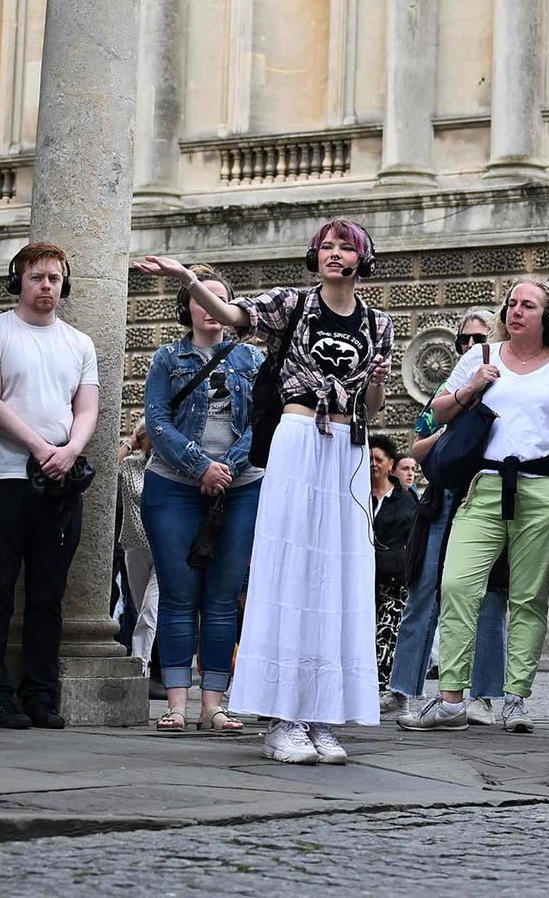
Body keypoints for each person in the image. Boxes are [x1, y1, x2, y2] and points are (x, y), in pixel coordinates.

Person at [135, 219, 392, 766]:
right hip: (299, 438)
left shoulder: (378, 322)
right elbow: (234, 317)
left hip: (346, 445)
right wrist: (187, 277)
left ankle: (321, 714)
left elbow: (371, 411)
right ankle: (282, 718)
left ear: (361, 259)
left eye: (346, 247)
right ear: (314, 254)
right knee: (290, 573)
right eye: (326, 245)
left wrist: (375, 384)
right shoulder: (291, 303)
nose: (334, 254)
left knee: (336, 579)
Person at [399, 279, 549, 735]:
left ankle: (515, 700)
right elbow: (436, 413)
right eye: (512, 304)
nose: (516, 311)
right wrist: (471, 388)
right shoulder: (480, 357)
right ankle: (450, 700)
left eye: (528, 305)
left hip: (542, 490)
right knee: (458, 584)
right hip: (484, 485)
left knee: (527, 597)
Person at [0, 242, 99, 730]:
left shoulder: (79, 342)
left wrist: (67, 452)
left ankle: (39, 694)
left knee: (48, 594)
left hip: (59, 482)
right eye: (37, 277)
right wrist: (42, 448)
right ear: (18, 280)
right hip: (4, 478)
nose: (47, 286)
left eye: (55, 279)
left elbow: (87, 408)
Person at [141, 267, 263, 733]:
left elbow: (263, 419)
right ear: (188, 307)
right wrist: (200, 467)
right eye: (200, 297)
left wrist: (227, 467)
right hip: (172, 485)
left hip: (241, 484)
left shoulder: (251, 359)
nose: (210, 306)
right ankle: (175, 703)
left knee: (222, 597)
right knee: (176, 595)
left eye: (219, 298)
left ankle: (213, 704)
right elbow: (157, 421)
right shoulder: (167, 358)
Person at [382, 310, 508, 724]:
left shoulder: (510, 385)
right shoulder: (451, 390)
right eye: (464, 340)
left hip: (489, 495)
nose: (470, 347)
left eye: (479, 339)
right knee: (424, 591)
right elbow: (416, 448)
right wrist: (456, 426)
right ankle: (402, 688)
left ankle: (484, 696)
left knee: (490, 597)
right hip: (444, 498)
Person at [369, 435, 416, 694]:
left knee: (387, 632)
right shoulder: (356, 493)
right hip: (363, 575)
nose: (373, 464)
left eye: (379, 459)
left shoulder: (405, 499)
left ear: (390, 464)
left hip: (393, 577)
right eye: (370, 459)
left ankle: (382, 687)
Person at [117, 420, 159, 686]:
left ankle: (140, 666)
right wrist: (129, 442)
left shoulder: (169, 469)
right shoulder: (131, 466)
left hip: (163, 547)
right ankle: (145, 665)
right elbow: (107, 468)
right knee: (139, 605)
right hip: (134, 547)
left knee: (150, 609)